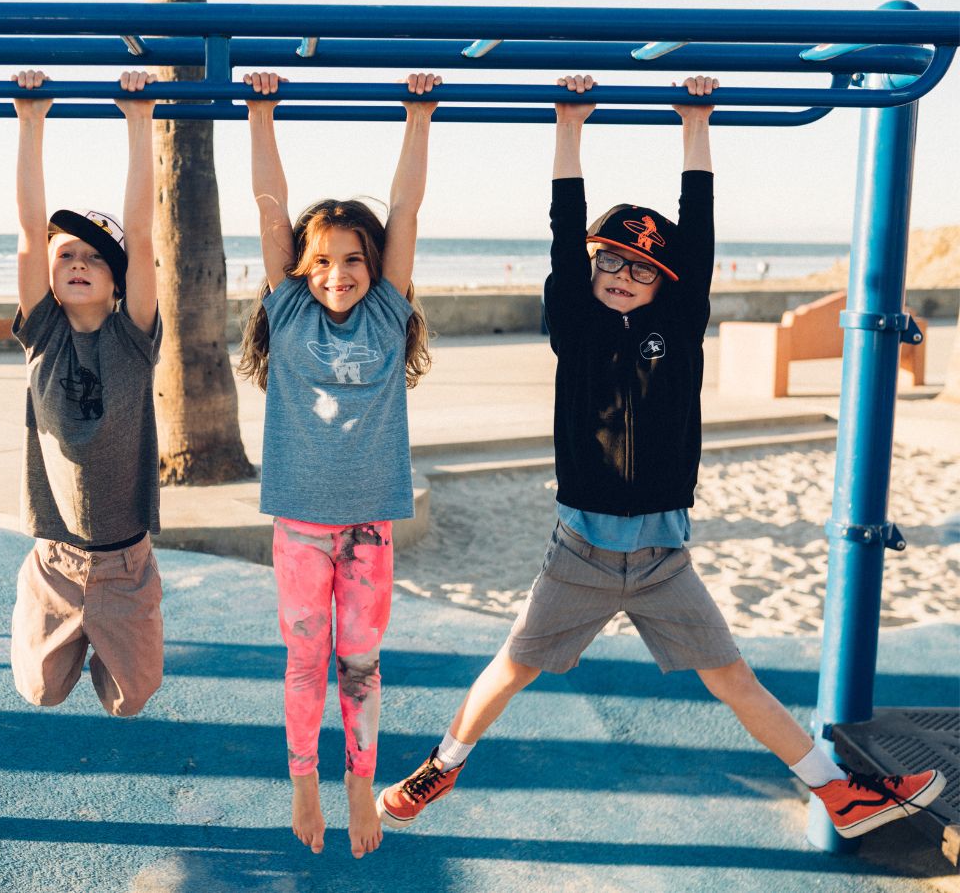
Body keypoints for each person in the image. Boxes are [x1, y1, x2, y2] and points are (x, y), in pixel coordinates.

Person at [376, 74, 946, 841]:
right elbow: (563, 227)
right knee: (511, 664)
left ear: (666, 284)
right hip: (578, 550)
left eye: (642, 268)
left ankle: (839, 795)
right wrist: (569, 127)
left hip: (663, 560)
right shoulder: (573, 327)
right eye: (611, 263)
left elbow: (699, 230)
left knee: (734, 679)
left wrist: (695, 124)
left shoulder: (678, 330)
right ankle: (443, 764)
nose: (622, 276)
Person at [237, 70, 439, 859]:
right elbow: (266, 207)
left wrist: (417, 118)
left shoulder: (388, 310)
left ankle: (361, 782)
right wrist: (260, 114)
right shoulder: (287, 309)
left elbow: (408, 210)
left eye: (353, 259)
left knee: (358, 663)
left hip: (366, 527)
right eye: (321, 260)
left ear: (374, 265)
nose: (337, 273)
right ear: (301, 268)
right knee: (303, 662)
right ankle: (301, 782)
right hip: (298, 524)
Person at [6, 70, 165, 719]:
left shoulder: (134, 338)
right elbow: (27, 232)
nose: (77, 263)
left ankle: (115, 638)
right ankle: (64, 629)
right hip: (53, 559)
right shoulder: (42, 333)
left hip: (127, 562)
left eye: (95, 258)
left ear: (118, 281)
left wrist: (138, 119)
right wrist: (31, 120)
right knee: (39, 692)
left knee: (131, 699)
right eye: (67, 253)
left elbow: (144, 236)